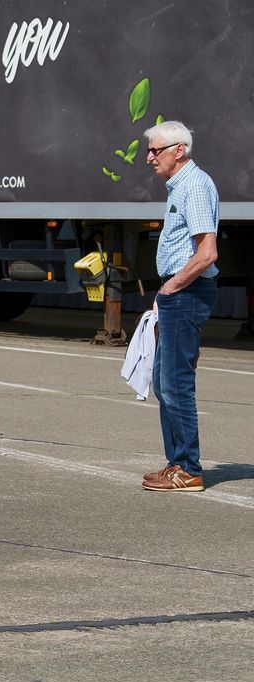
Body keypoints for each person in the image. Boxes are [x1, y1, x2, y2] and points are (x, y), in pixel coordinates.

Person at [141, 120, 218, 492]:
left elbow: (206, 254)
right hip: (177, 295)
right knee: (163, 381)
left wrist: (171, 287)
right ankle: (176, 463)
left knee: (176, 384)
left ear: (179, 150)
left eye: (156, 150)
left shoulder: (195, 187)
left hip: (186, 294)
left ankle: (188, 468)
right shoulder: (180, 187)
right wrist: (164, 292)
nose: (149, 157)